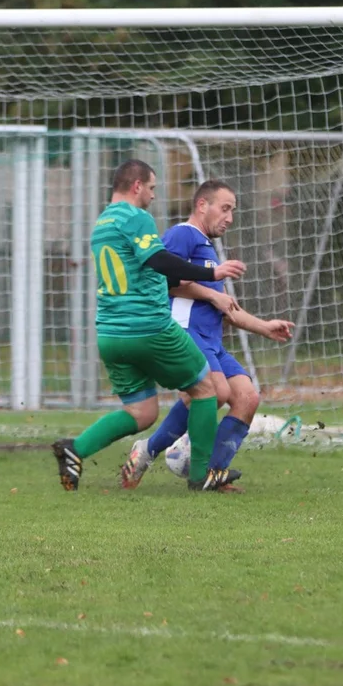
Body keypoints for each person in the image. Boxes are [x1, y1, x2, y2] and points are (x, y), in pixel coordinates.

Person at [52, 160, 247, 492]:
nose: (155, 196)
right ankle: (202, 475)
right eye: (153, 187)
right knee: (207, 390)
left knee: (141, 413)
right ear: (136, 186)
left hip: (110, 333)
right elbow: (157, 260)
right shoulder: (135, 217)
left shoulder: (102, 223)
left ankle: (76, 448)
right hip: (149, 327)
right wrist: (211, 274)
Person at [119, 180, 294, 490]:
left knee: (247, 397)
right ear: (202, 205)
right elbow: (164, 280)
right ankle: (149, 451)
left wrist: (264, 326)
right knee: (215, 392)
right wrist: (212, 295)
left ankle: (212, 473)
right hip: (185, 332)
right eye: (225, 208)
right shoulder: (182, 234)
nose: (229, 217)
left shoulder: (208, 249)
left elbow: (228, 306)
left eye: (233, 211)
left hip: (211, 341)